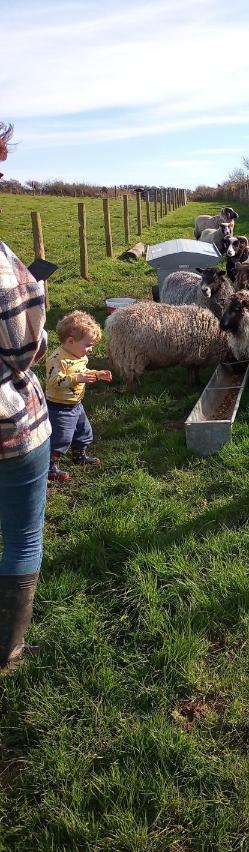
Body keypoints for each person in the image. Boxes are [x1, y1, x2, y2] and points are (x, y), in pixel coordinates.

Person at [0, 121, 52, 669]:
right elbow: (20, 349)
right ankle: (8, 649)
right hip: (11, 423)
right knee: (20, 534)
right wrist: (38, 289)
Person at [45, 310, 111, 481]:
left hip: (76, 404)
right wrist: (77, 378)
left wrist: (96, 374)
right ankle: (50, 466)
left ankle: (79, 455)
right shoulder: (57, 359)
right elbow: (54, 381)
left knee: (84, 431)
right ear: (70, 341)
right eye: (88, 345)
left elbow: (83, 371)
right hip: (59, 406)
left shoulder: (79, 355)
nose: (90, 350)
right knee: (61, 436)